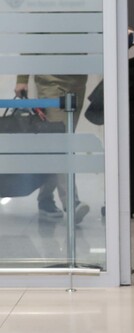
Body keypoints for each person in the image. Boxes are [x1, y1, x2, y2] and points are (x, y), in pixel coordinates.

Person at [15, 75, 90, 225]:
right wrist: (21, 79)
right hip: (51, 82)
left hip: (78, 81)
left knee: (60, 143)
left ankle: (45, 198)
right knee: (61, 142)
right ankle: (71, 202)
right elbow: (29, 50)